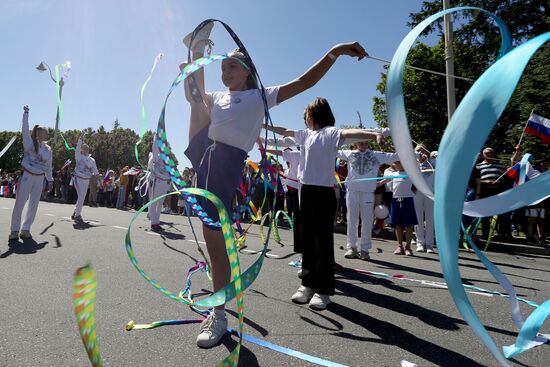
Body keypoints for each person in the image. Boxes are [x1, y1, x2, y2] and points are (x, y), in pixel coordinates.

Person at [181, 22, 368, 348]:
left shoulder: (260, 97)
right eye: (222, 66)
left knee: (216, 245)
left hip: (227, 166)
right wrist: (190, 72)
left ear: (248, 71)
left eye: (232, 66)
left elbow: (303, 82)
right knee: (198, 102)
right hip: (205, 160)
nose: (225, 71)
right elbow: (193, 97)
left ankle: (220, 315)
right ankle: (197, 49)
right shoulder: (219, 96)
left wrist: (335, 51)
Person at [267, 97, 381, 311]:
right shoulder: (305, 135)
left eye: (307, 114)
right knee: (307, 240)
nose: (304, 118)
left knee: (322, 242)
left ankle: (323, 291)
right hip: (306, 191)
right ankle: (307, 284)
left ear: (316, 113)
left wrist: (374, 133)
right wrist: (263, 123)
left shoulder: (331, 133)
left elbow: (351, 133)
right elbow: (284, 131)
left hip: (323, 192)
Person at [337, 140, 397, 260]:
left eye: (365, 143)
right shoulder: (349, 154)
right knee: (352, 220)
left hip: (368, 193)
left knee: (367, 221)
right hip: (352, 191)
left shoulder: (376, 155)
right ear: (356, 142)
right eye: (360, 142)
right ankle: (352, 248)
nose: (363, 145)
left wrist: (417, 155)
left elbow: (395, 156)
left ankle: (364, 249)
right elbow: (331, 151)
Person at [9, 105, 53, 240]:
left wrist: (50, 180)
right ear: (38, 133)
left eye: (46, 132)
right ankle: (14, 230)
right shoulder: (29, 142)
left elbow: (48, 166)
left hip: (39, 178)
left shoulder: (48, 149)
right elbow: (24, 128)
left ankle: (25, 229)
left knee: (34, 204)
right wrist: (26, 113)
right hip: (27, 175)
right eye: (43, 132)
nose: (45, 134)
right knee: (20, 203)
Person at [383, 161, 418, 256]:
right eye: (395, 163)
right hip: (395, 200)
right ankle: (399, 246)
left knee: (408, 225)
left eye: (397, 163)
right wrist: (375, 184)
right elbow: (383, 182)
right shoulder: (393, 174)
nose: (395, 164)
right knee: (398, 225)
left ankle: (408, 247)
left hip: (408, 200)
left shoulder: (410, 173)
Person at [412, 144, 436, 253]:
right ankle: (420, 242)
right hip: (416, 193)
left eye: (423, 150)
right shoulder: (412, 163)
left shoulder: (433, 162)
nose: (421, 152)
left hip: (430, 194)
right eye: (418, 150)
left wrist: (430, 159)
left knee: (430, 219)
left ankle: (429, 244)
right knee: (418, 219)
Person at [72, 133, 99, 222]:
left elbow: (95, 171)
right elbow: (77, 149)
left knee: (82, 197)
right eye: (84, 148)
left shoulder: (92, 160)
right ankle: (77, 215)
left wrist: (99, 178)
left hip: (86, 180)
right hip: (78, 178)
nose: (86, 149)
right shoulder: (79, 156)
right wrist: (80, 139)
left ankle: (76, 212)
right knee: (82, 196)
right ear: (81, 149)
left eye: (87, 148)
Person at [147, 133, 172, 231]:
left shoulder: (168, 159)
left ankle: (157, 222)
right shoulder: (156, 157)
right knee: (154, 202)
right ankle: (153, 223)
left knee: (160, 203)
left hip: (165, 184)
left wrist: (170, 179)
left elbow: (172, 171)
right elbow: (154, 148)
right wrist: (156, 138)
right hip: (157, 182)